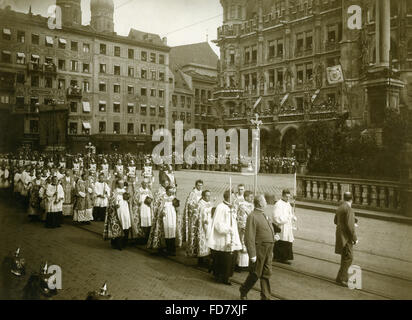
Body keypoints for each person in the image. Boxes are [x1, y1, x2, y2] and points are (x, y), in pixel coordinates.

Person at [239, 194, 275, 300]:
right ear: (259, 203)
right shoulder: (252, 216)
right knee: (255, 273)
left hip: (268, 249)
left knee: (266, 273)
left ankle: (266, 296)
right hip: (259, 249)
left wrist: (273, 236)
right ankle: (244, 289)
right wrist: (252, 254)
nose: (266, 203)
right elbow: (249, 237)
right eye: (264, 201)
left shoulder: (264, 214)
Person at [207, 190, 242, 285]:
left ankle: (227, 276)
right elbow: (217, 224)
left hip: (232, 237)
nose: (235, 198)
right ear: (228, 197)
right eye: (233, 196)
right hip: (222, 238)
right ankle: (220, 276)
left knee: (231, 258)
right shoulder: (220, 207)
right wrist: (227, 229)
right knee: (223, 258)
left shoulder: (232, 207)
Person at [334, 192, 358, 287]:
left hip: (340, 235)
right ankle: (342, 279)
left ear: (344, 198)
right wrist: (354, 238)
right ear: (352, 199)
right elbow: (350, 227)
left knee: (345, 257)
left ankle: (340, 277)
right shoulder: (349, 209)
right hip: (346, 237)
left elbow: (335, 221)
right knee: (349, 257)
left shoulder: (340, 207)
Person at [271, 189, 296, 265]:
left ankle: (285, 257)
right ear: (282, 196)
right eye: (286, 197)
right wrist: (286, 219)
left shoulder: (288, 204)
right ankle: (278, 257)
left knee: (288, 240)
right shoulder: (278, 204)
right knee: (281, 241)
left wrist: (293, 217)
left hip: (287, 226)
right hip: (281, 225)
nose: (288, 198)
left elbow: (289, 213)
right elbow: (276, 217)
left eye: (289, 197)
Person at [131, 178, 153, 244]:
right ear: (142, 184)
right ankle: (141, 237)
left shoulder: (149, 191)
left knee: (148, 223)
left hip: (147, 209)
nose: (146, 185)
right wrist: (138, 202)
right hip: (140, 209)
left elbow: (152, 199)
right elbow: (134, 200)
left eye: (147, 183)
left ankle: (147, 237)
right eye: (144, 183)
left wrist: (150, 203)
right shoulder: (138, 191)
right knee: (141, 223)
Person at [184, 180, 204, 257]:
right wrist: (195, 208)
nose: (200, 187)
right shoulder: (192, 193)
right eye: (198, 185)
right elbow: (189, 204)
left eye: (201, 185)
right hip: (194, 216)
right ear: (195, 185)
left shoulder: (202, 193)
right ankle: (191, 249)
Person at [236, 190, 254, 271]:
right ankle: (240, 265)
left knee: (248, 245)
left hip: (250, 228)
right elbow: (241, 218)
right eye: (250, 197)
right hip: (244, 229)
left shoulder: (252, 205)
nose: (252, 198)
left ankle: (246, 265)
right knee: (243, 245)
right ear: (246, 197)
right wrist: (244, 227)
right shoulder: (242, 206)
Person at [196, 190, 213, 266]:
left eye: (209, 195)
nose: (209, 197)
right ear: (203, 196)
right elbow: (198, 215)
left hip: (209, 225)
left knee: (208, 242)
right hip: (202, 227)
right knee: (203, 243)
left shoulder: (209, 203)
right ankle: (201, 261)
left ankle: (207, 259)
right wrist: (204, 220)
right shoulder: (200, 204)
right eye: (207, 196)